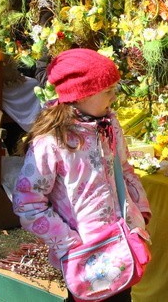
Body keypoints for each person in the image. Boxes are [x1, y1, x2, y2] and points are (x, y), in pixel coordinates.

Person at [12, 48, 152, 302]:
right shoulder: (52, 142)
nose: (114, 97)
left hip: (122, 242)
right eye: (107, 91)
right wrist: (68, 242)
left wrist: (138, 211)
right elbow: (28, 203)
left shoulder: (109, 126)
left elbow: (124, 168)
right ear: (81, 94)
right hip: (86, 254)